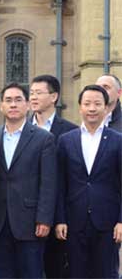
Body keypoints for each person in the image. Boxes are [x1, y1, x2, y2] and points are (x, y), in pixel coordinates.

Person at [55, 85, 122, 278]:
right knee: (76, 273)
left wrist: (121, 220)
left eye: (97, 104)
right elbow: (60, 184)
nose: (92, 108)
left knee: (107, 273)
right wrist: (60, 219)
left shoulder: (118, 141)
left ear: (106, 108)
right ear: (80, 107)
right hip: (74, 221)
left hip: (107, 222)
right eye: (87, 104)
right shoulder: (66, 140)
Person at [0, 82, 57, 279]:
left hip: (30, 222)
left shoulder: (44, 138)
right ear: (1, 106)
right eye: (8, 100)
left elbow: (49, 182)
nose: (13, 105)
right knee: (1, 274)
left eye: (18, 100)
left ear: (28, 105)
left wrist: (44, 218)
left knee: (31, 273)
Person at [28, 74, 76, 278]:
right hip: (25, 215)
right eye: (31, 93)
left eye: (39, 93)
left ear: (54, 96)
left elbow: (69, 178)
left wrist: (60, 217)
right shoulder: (18, 129)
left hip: (57, 216)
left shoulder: (70, 132)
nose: (33, 97)